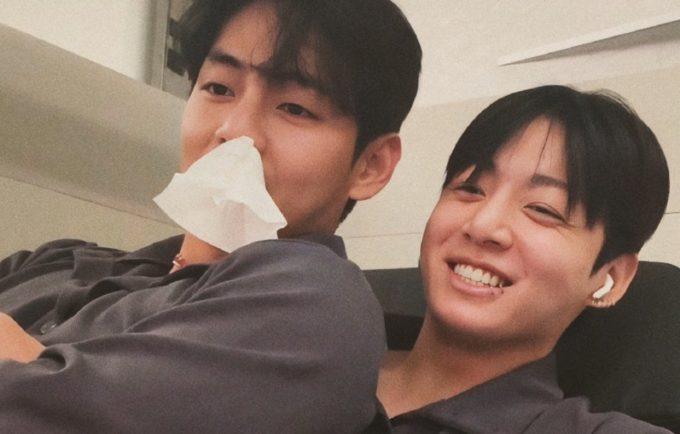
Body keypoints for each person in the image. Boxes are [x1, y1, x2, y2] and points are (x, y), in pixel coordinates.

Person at [0, 0, 421, 433]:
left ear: (370, 165)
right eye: (219, 89)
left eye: (295, 108)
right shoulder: (58, 260)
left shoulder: (323, 313)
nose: (235, 130)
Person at [372, 85, 672, 433]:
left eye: (543, 209)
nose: (483, 226)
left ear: (612, 276)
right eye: (470, 188)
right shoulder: (329, 343)